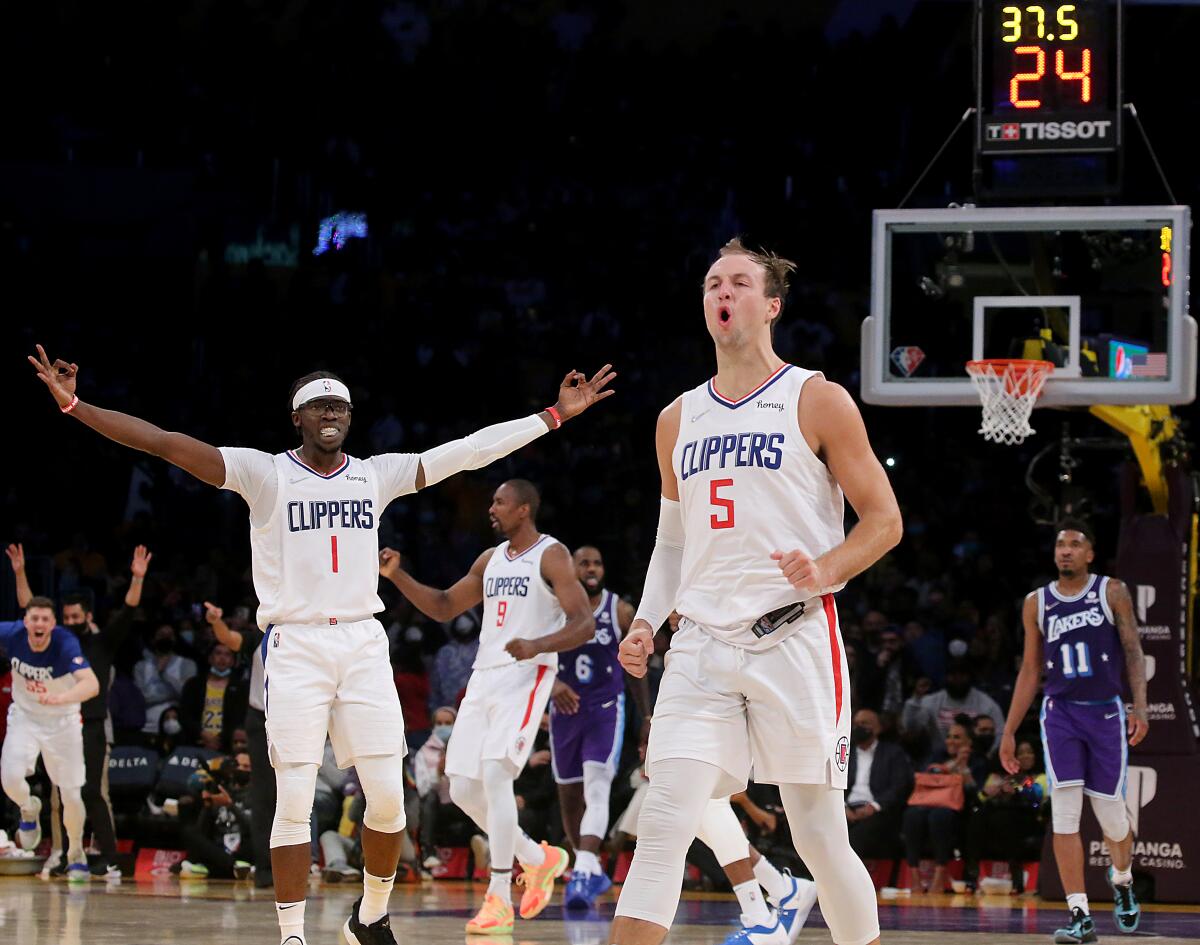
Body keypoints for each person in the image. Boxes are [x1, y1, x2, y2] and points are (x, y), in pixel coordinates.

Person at [28, 344, 613, 945]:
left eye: (341, 405)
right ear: (298, 418)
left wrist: (555, 415)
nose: (332, 412)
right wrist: (76, 405)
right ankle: (292, 936)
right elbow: (165, 442)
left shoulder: (375, 473)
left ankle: (371, 916)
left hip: (362, 642)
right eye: (320, 405)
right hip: (297, 646)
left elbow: (467, 451)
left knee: (390, 802)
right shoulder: (265, 473)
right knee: (295, 799)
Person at [613, 238, 902, 945]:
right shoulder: (677, 417)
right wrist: (648, 621)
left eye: (740, 282)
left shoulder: (817, 398)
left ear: (770, 304)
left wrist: (827, 567)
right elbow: (673, 542)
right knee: (663, 820)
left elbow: (886, 521)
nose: (724, 292)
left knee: (819, 840)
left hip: (795, 637)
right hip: (704, 645)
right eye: (714, 282)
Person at [378, 478, 596, 935]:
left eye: (500, 501)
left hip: (527, 675)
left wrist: (538, 644)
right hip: (484, 677)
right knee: (460, 788)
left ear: (524, 509)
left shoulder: (552, 554)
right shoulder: (490, 559)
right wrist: (397, 575)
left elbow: (584, 624)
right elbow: (441, 606)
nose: (491, 509)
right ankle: (538, 858)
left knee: (497, 774)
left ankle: (499, 895)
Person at [1000, 521, 1149, 944]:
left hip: (1105, 713)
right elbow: (1031, 669)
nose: (1065, 551)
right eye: (1060, 545)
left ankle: (1121, 879)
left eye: (1074, 545)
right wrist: (1009, 731)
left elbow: (1134, 651)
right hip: (1060, 713)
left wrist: (1139, 705)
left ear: (1089, 555)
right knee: (1064, 815)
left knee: (1112, 817)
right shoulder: (1036, 603)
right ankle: (1080, 914)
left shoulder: (1111, 591)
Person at [7, 542, 151, 877]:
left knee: (93, 792)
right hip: (59, 722)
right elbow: (29, 607)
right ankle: (62, 852)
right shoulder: (55, 641)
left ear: (88, 616)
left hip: (94, 724)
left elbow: (129, 610)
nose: (71, 622)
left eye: (77, 617)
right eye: (66, 617)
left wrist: (137, 578)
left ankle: (110, 857)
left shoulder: (102, 642)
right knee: (58, 794)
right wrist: (19, 572)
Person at [550, 545, 651, 909]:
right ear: (571, 570)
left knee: (596, 787)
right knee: (569, 799)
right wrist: (552, 684)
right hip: (563, 714)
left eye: (597, 562)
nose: (592, 568)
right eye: (584, 563)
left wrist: (647, 716)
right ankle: (588, 866)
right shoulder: (555, 608)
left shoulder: (618, 609)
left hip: (604, 710)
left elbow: (636, 667)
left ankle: (582, 871)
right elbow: (535, 654)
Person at [0, 597, 101, 881]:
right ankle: (29, 808)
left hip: (63, 721)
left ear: (53, 625)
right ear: (26, 622)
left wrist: (61, 698)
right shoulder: (12, 634)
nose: (40, 624)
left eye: (46, 620)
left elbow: (92, 685)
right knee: (9, 778)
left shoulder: (65, 644)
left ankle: (75, 853)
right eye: (35, 619)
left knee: (70, 794)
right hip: (25, 717)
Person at [901, 720, 984, 895]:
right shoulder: (937, 755)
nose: (951, 741)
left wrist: (964, 769)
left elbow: (975, 794)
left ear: (969, 742)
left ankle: (939, 877)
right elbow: (930, 777)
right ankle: (915, 877)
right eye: (949, 737)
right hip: (928, 804)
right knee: (912, 816)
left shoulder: (978, 760)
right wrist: (953, 765)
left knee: (940, 816)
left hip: (962, 811)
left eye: (957, 737)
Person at [844, 708, 913, 861]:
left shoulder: (893, 753)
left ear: (878, 728)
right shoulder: (845, 752)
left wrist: (874, 806)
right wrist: (843, 807)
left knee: (856, 838)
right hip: (846, 808)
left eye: (864, 723)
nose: (858, 727)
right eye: (856, 723)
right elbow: (833, 782)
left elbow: (899, 786)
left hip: (878, 810)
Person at [180, 642, 249, 752]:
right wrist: (202, 734)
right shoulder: (193, 684)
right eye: (218, 653)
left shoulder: (241, 688)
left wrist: (218, 739)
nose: (222, 658)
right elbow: (185, 715)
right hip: (194, 742)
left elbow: (240, 718)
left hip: (226, 746)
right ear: (210, 658)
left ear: (233, 661)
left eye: (227, 655)